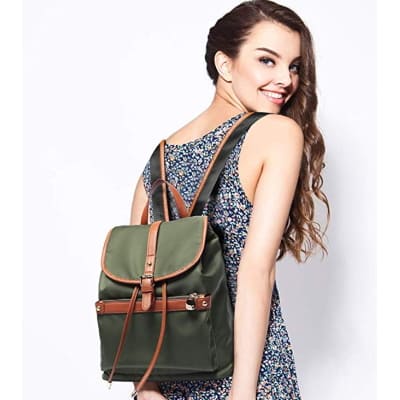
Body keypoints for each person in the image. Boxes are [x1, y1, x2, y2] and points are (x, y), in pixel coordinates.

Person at [129, 0, 330, 399]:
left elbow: (136, 284)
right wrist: (242, 393)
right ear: (225, 65)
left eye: (294, 66)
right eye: (267, 60)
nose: (286, 80)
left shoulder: (159, 159)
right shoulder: (276, 132)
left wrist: (145, 386)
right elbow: (256, 273)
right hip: (247, 375)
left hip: (166, 376)